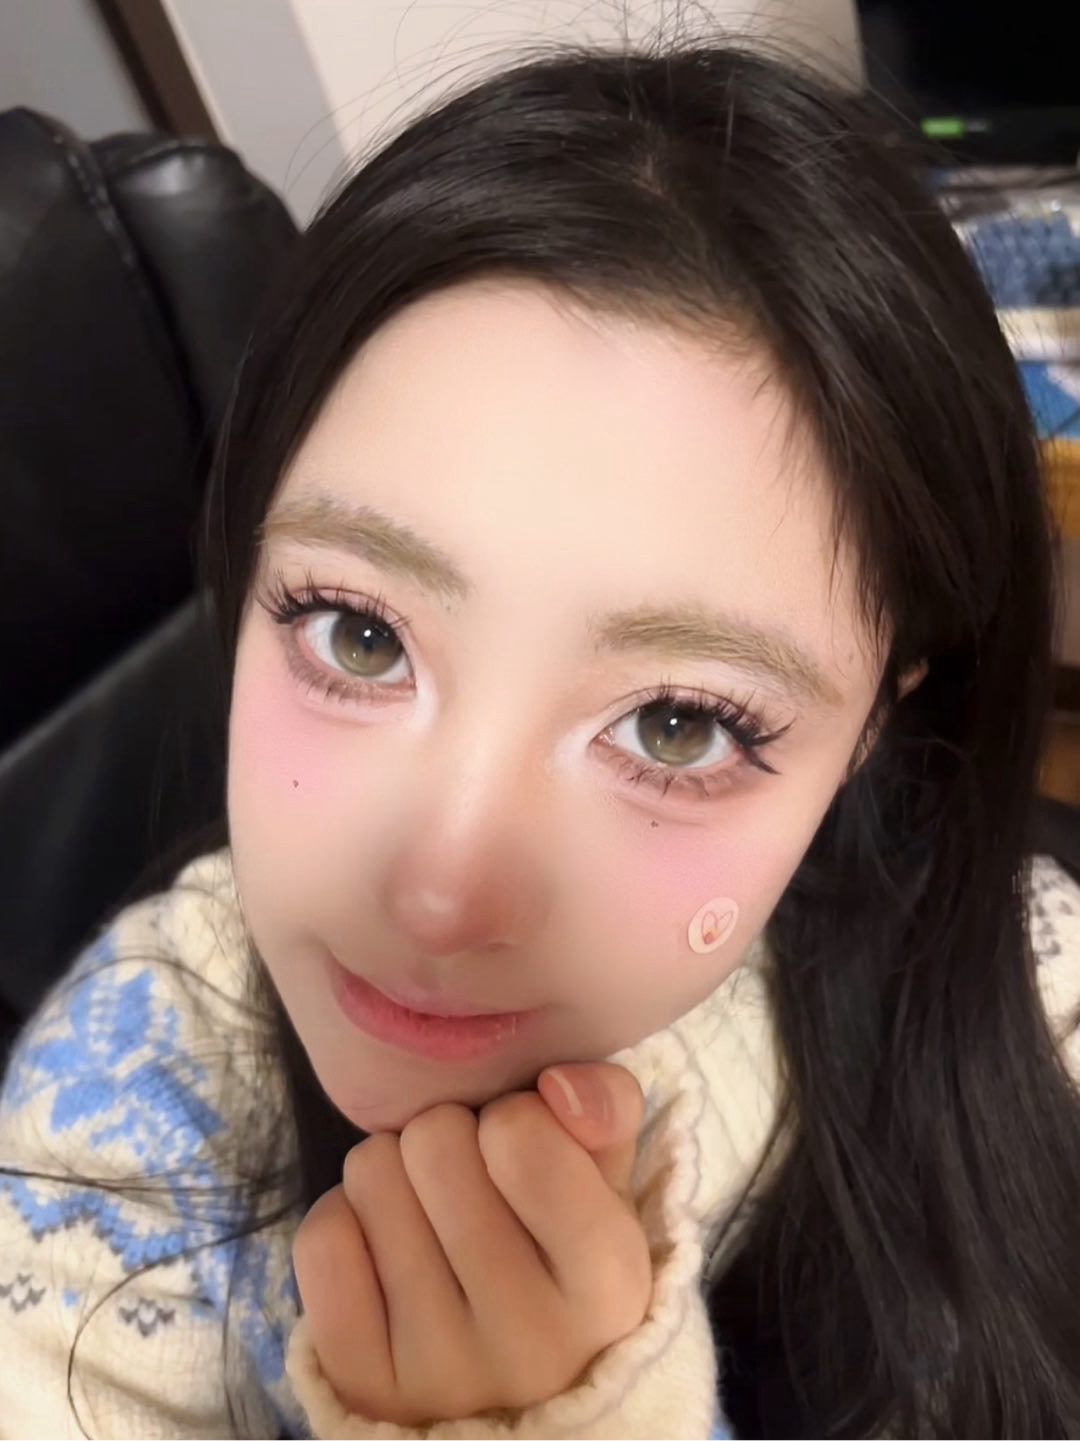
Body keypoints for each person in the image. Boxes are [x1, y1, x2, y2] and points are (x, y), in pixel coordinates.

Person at [2, 31, 1080, 1441]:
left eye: (679, 723)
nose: (439, 895)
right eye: (359, 634)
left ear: (881, 715)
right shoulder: (121, 1132)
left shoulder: (1025, 977)